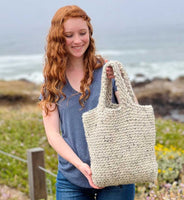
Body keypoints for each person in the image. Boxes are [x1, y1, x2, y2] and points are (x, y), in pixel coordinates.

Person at [39, 5, 135, 200]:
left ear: (89, 34)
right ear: (58, 39)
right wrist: (81, 166)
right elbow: (53, 134)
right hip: (72, 178)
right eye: (69, 35)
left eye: (82, 33)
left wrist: (120, 80)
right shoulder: (52, 82)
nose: (77, 40)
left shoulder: (106, 69)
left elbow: (132, 112)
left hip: (116, 174)